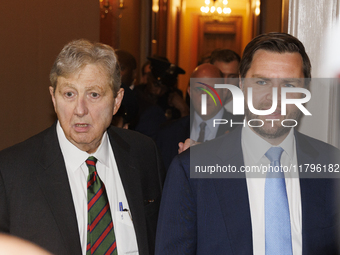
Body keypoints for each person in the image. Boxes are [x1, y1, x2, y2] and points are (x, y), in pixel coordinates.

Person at [155, 33, 340, 254]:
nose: (275, 99)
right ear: (241, 85)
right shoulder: (191, 170)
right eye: (262, 82)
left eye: (289, 84)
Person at [0, 39, 165, 255]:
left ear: (116, 101)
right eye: (69, 94)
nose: (80, 110)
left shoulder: (143, 153)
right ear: (53, 98)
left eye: (93, 94)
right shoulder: (12, 171)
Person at [156, 63, 242, 170]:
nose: (205, 96)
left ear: (224, 91)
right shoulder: (167, 133)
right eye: (199, 89)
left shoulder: (240, 130)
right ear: (190, 92)